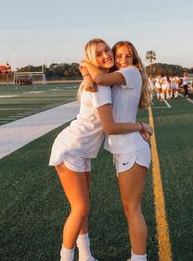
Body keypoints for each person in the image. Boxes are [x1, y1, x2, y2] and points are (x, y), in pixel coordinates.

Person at [49, 39, 153, 261]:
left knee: (102, 209)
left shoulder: (122, 76)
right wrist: (142, 126)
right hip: (74, 147)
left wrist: (87, 70)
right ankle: (71, 257)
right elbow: (110, 126)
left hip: (103, 149)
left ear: (135, 59)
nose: (112, 57)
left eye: (109, 51)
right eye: (104, 53)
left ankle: (91, 255)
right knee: (81, 209)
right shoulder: (103, 83)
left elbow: (97, 78)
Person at [80, 41, 153, 261]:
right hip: (125, 149)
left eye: (127, 56)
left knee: (133, 209)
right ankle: (137, 257)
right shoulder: (120, 77)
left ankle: (139, 259)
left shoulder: (130, 72)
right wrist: (85, 72)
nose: (121, 60)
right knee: (130, 208)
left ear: (135, 60)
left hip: (131, 149)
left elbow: (99, 78)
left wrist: (85, 64)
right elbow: (97, 80)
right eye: (118, 55)